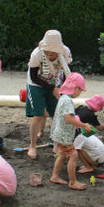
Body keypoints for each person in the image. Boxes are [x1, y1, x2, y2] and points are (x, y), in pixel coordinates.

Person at [25, 30, 72, 159]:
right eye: (48, 49)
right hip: (36, 84)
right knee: (38, 115)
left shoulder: (65, 53)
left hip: (54, 82)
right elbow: (33, 77)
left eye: (53, 50)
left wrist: (61, 90)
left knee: (56, 113)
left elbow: (65, 74)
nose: (50, 52)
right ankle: (32, 145)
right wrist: (52, 88)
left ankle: (56, 144)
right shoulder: (37, 54)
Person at [49, 73, 92, 190]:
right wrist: (83, 125)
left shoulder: (62, 97)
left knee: (62, 155)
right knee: (74, 155)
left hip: (58, 133)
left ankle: (55, 176)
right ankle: (72, 181)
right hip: (64, 135)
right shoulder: (67, 100)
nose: (79, 93)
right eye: (80, 90)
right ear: (76, 88)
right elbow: (68, 118)